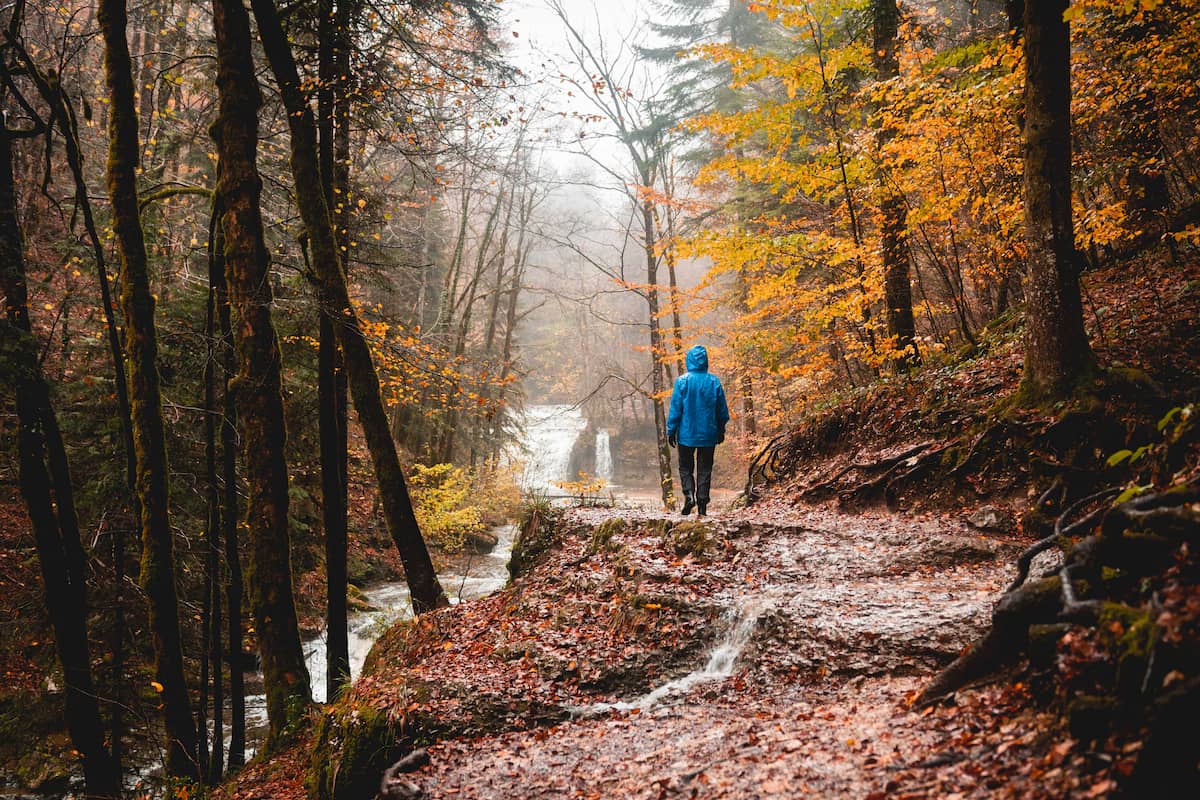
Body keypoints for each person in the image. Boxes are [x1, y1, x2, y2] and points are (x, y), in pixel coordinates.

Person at [666, 345, 730, 516]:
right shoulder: (714, 382)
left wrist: (671, 430)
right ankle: (702, 504)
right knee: (705, 469)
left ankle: (688, 495)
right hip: (708, 434)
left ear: (689, 360)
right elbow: (722, 411)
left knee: (685, 467)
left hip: (686, 434)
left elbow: (676, 408)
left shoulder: (682, 382)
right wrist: (720, 430)